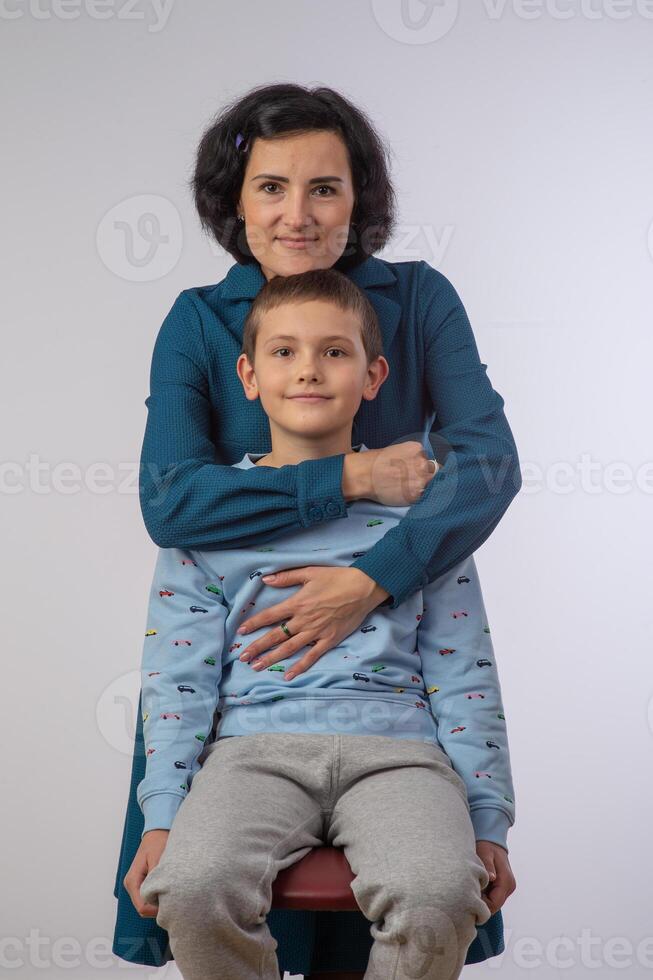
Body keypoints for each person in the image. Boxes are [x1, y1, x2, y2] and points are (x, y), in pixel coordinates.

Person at [113, 82, 522, 979]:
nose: (297, 214)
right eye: (270, 187)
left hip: (395, 678)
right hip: (239, 689)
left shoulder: (416, 300)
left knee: (409, 898)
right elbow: (172, 505)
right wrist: (350, 475)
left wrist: (375, 575)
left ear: (359, 200)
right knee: (206, 886)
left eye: (324, 188)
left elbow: (487, 466)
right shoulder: (196, 321)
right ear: (234, 200)